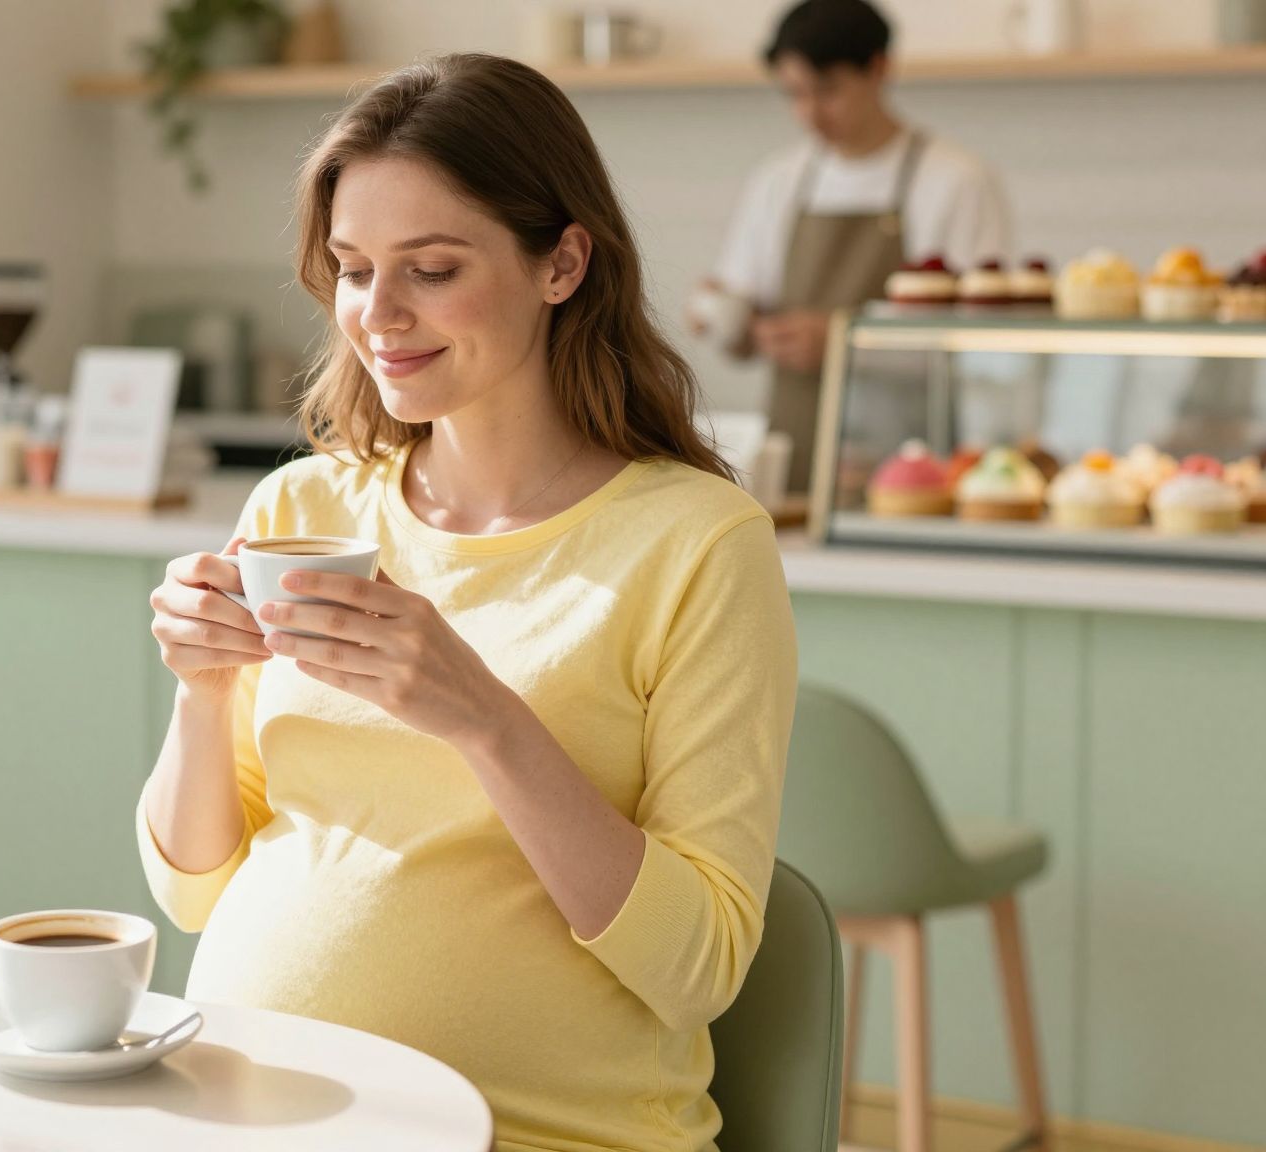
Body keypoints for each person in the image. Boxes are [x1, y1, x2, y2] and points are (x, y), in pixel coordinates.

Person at [139, 53, 799, 1152]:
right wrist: (202, 692)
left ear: (562, 263)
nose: (377, 314)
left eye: (432, 269)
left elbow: (699, 968)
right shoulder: (304, 504)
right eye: (352, 268)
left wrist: (481, 717)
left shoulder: (695, 545)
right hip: (248, 1111)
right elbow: (193, 892)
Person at [698, 0, 1014, 492]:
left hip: (915, 459)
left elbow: (982, 343)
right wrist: (728, 322)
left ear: (879, 69)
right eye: (795, 94)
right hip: (795, 453)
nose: (810, 114)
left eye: (827, 91)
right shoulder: (779, 180)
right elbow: (740, 320)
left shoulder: (954, 180)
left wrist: (846, 342)